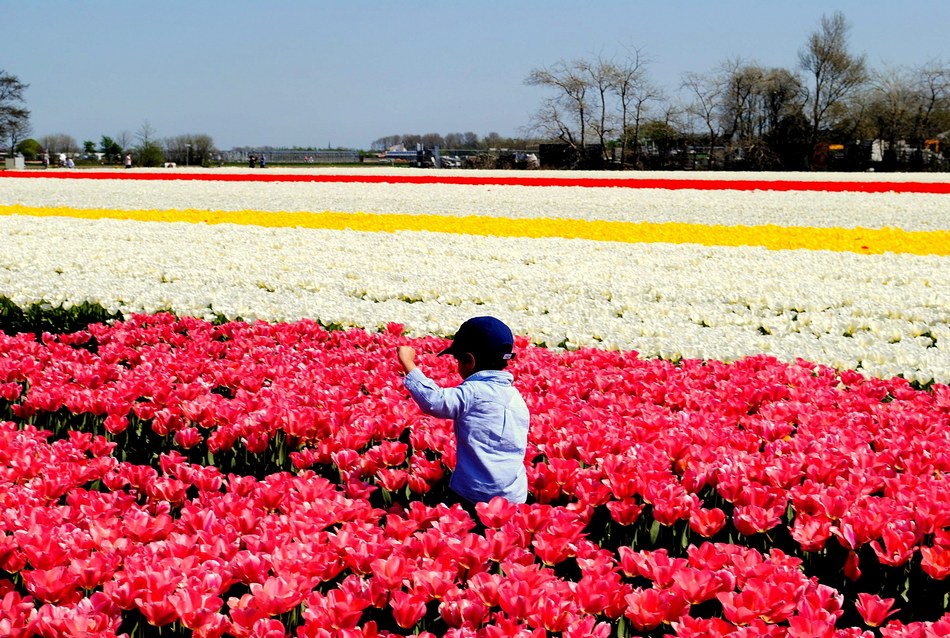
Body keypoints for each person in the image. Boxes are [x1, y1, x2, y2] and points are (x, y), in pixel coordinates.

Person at [397, 316, 530, 513]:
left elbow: (434, 401)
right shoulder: (516, 398)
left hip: (474, 495)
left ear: (470, 360)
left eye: (458, 359)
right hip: (514, 497)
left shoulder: (473, 392)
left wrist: (408, 364)